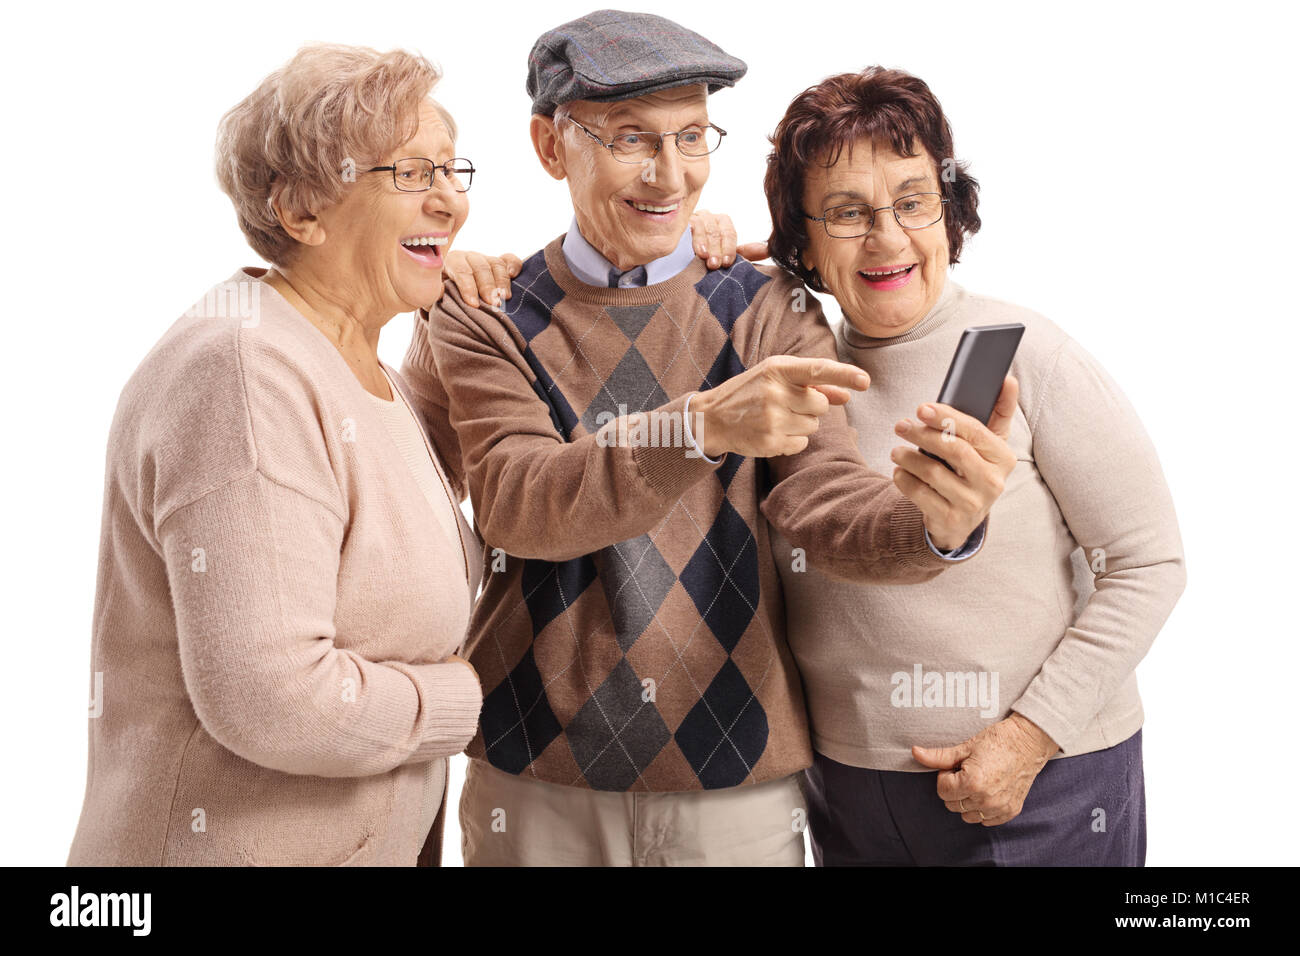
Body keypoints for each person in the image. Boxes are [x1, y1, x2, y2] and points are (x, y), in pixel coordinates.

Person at [401, 11, 1014, 866]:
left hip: (737, 770)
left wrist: (936, 528)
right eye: (631, 139)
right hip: (538, 770)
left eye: (692, 136)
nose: (668, 174)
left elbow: (820, 500)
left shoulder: (767, 305)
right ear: (550, 147)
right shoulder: (485, 314)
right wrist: (703, 426)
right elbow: (517, 501)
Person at [67, 44, 494, 866]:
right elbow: (274, 700)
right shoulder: (242, 375)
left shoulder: (347, 358)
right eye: (411, 174)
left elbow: (402, 501)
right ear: (302, 208)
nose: (451, 201)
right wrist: (469, 698)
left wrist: (461, 322)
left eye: (453, 170)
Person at [762, 67, 1186, 865]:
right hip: (849, 789)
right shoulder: (787, 371)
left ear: (948, 210)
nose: (887, 239)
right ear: (803, 238)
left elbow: (1149, 561)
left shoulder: (1028, 351)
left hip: (1045, 781)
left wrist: (1028, 737)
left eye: (913, 201)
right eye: (847, 214)